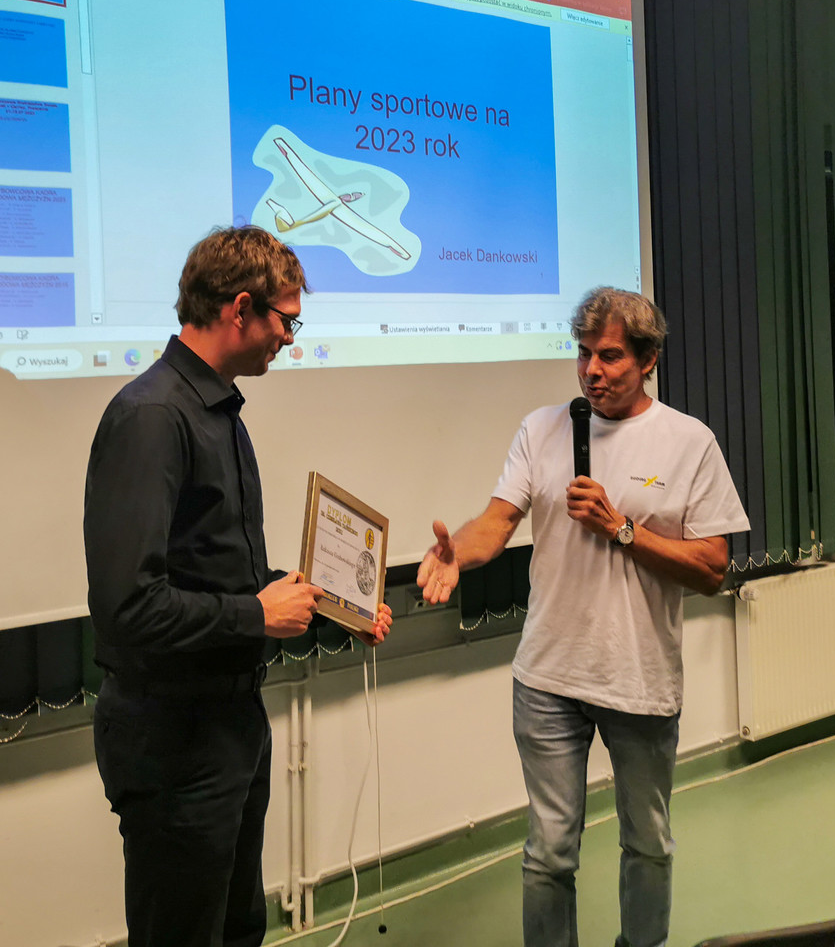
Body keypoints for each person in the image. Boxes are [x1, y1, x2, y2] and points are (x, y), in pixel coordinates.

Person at [84, 225, 392, 947]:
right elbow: (128, 607)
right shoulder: (152, 418)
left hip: (229, 724)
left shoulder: (218, 411)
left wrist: (333, 608)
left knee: (236, 930)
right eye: (287, 321)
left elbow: (229, 579)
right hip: (172, 736)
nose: (290, 338)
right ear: (241, 308)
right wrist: (254, 615)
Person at [418, 287, 747, 947]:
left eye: (610, 356)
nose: (592, 370)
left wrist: (622, 529)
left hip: (638, 679)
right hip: (547, 679)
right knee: (548, 853)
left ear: (648, 360)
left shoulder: (688, 442)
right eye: (583, 353)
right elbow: (496, 522)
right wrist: (459, 554)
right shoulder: (541, 428)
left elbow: (713, 568)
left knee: (647, 842)